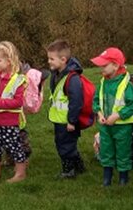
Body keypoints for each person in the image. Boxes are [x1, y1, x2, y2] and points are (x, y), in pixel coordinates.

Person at [0, 41, 28, 184]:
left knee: (14, 146)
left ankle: (20, 173)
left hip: (10, 121)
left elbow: (18, 101)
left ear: (9, 61)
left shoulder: (18, 80)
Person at [91, 47, 133, 186]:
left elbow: (132, 105)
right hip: (105, 125)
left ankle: (123, 178)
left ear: (115, 65)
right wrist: (99, 114)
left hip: (123, 126)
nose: (101, 68)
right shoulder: (103, 82)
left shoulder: (126, 84)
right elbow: (96, 100)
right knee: (106, 150)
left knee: (123, 151)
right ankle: (107, 178)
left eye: (104, 65)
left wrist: (118, 115)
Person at [46, 39, 86, 179]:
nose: (49, 61)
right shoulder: (56, 74)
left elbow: (76, 102)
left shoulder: (72, 78)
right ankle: (79, 167)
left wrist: (72, 121)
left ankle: (68, 171)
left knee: (65, 146)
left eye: (52, 59)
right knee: (64, 143)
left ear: (63, 59)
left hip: (67, 121)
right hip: (59, 119)